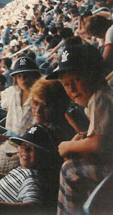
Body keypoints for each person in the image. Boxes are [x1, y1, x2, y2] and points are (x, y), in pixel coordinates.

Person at [46, 44, 113, 215]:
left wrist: (67, 146)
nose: (72, 89)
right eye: (66, 84)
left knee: (69, 169)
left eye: (76, 79)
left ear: (94, 74)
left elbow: (98, 144)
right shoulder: (100, 98)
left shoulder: (100, 99)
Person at [0, 125, 57, 215]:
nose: (24, 150)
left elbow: (32, 207)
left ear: (44, 156)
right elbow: (16, 180)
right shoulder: (23, 170)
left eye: (31, 148)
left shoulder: (32, 178)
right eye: (22, 146)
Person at [0, 57, 40, 174]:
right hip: (12, 140)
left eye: (26, 75)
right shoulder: (13, 92)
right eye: (19, 76)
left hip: (33, 144)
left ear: (35, 76)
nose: (23, 79)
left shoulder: (40, 95)